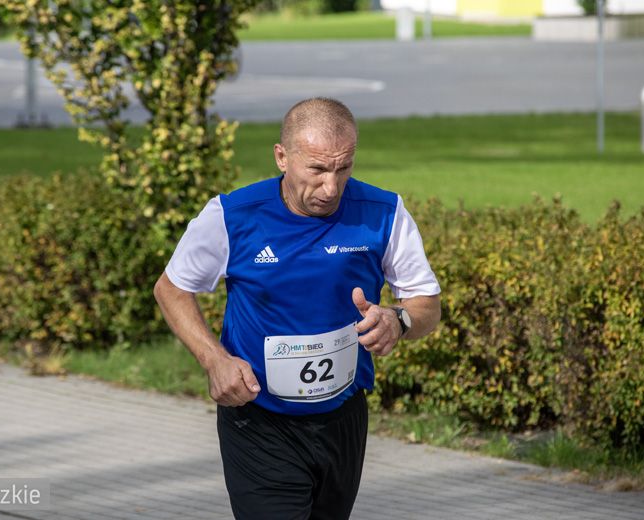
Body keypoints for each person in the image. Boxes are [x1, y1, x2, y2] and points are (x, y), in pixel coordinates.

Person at [153, 97, 441, 520]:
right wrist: (215, 360)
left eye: (344, 168)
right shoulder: (232, 217)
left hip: (343, 417)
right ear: (282, 157)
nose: (331, 187)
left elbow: (427, 305)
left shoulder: (384, 214)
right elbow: (171, 289)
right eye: (318, 170)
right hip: (258, 418)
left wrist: (398, 320)